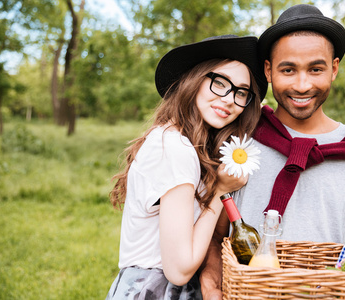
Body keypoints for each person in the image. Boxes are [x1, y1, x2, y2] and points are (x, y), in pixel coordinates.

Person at [199, 5, 345, 299]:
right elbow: (212, 231)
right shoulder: (238, 140)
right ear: (268, 70)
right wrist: (211, 281)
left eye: (316, 69)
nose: (302, 85)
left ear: (334, 68)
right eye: (288, 70)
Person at [105, 35, 268, 300]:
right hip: (155, 290)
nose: (229, 99)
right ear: (194, 79)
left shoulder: (180, 141)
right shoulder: (175, 148)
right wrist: (219, 192)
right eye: (220, 83)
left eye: (241, 93)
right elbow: (179, 269)